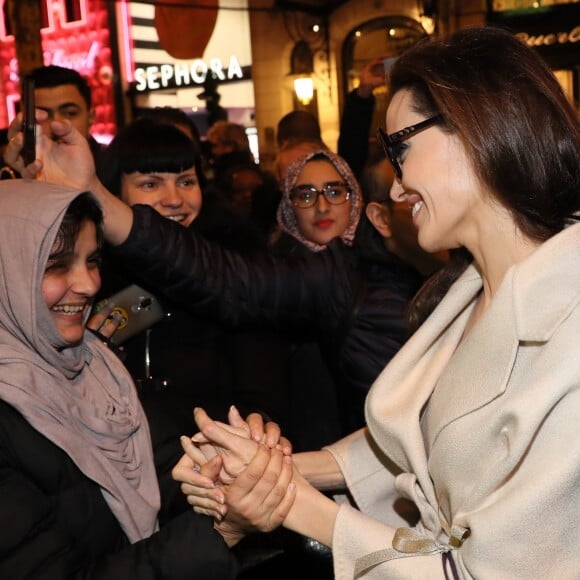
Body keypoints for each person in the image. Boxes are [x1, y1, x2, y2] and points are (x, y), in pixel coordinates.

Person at [171, 26, 580, 579]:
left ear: (478, 126)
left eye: (400, 148)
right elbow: (424, 434)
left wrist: (288, 500)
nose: (394, 186)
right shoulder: (468, 290)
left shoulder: (568, 323)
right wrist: (273, 468)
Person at [0, 179, 294, 578]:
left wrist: (224, 465)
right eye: (56, 265)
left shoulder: (95, 364)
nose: (88, 285)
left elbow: (161, 470)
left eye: (92, 260)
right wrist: (220, 532)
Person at [92, 117, 289, 430]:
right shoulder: (90, 270)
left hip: (217, 450)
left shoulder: (234, 261)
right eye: (150, 184)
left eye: (186, 181)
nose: (174, 199)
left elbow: (264, 386)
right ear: (115, 192)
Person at [28, 64, 105, 164]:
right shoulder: (13, 173)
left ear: (91, 117)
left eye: (70, 113)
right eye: (43, 117)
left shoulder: (119, 169)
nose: (56, 126)